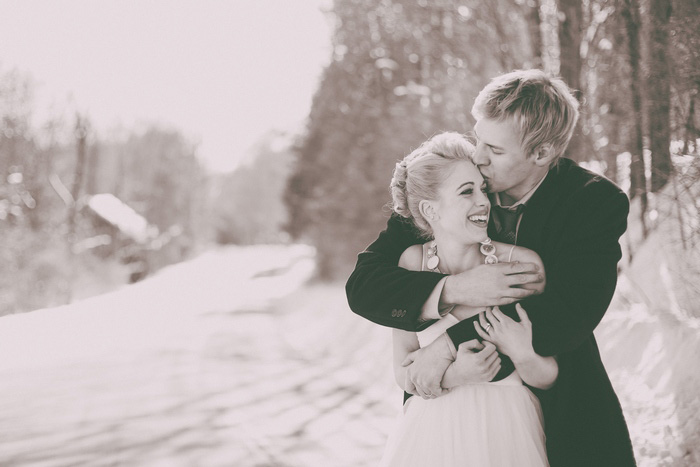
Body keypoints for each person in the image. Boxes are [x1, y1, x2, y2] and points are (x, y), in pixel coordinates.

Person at [346, 69, 636, 467]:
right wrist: (455, 290)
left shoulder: (593, 203)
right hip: (446, 424)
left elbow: (568, 314)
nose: (478, 158)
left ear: (541, 153)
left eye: (495, 151)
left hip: (557, 408)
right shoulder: (448, 188)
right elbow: (365, 285)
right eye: (478, 138)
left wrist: (447, 347)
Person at [379, 132, 554, 466]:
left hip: (507, 433)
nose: (484, 202)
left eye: (482, 188)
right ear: (431, 209)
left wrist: (522, 353)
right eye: (466, 191)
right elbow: (403, 372)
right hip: (429, 437)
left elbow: (550, 374)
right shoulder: (411, 264)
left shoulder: (521, 266)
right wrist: (456, 375)